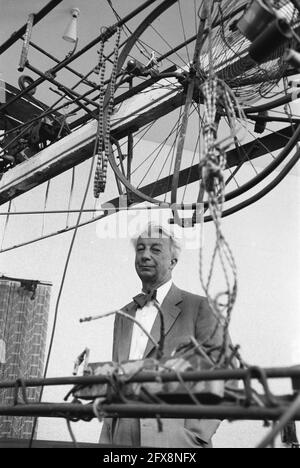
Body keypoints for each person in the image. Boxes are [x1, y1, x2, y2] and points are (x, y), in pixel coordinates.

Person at [100, 223, 228, 448]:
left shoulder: (200, 308)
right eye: (140, 249)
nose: (145, 256)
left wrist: (194, 435)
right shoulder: (123, 315)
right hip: (120, 437)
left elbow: (227, 375)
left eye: (155, 249)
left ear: (173, 261)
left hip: (175, 440)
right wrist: (109, 433)